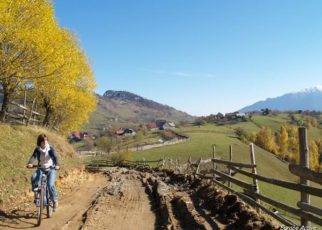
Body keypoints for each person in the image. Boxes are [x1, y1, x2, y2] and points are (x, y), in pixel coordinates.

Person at [26, 134, 60, 210]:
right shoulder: (37, 149)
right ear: (39, 142)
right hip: (41, 168)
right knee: (34, 177)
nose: (45, 142)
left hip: (51, 169)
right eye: (43, 140)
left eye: (46, 140)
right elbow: (33, 157)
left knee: (50, 184)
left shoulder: (50, 149)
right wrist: (30, 163)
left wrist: (57, 165)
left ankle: (54, 199)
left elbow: (55, 157)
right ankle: (36, 195)